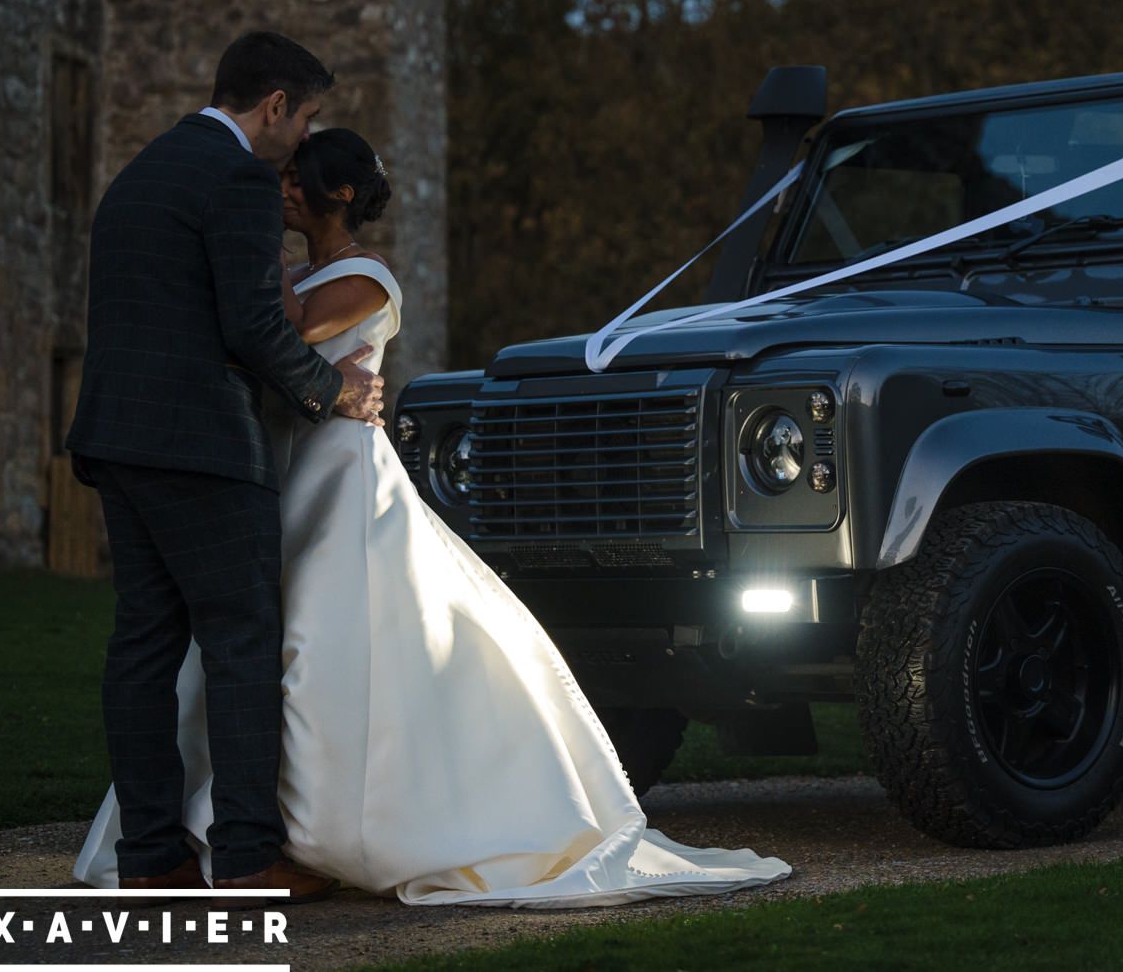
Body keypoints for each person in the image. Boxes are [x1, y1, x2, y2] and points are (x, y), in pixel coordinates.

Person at [74, 125, 791, 907]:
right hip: (286, 466)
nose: (280, 190)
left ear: (337, 194)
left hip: (339, 473)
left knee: (330, 638)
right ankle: (252, 828)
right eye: (278, 181)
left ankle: (358, 824)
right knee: (258, 640)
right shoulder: (289, 264)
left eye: (294, 180)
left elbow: (269, 338)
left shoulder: (365, 276)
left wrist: (254, 276)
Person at [66, 31, 384, 902]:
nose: (299, 138)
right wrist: (336, 392)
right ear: (274, 105)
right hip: (202, 445)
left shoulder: (142, 172)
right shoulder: (240, 176)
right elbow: (252, 323)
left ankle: (152, 856)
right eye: (305, 115)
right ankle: (245, 856)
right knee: (244, 643)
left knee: (142, 647)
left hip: (116, 439)